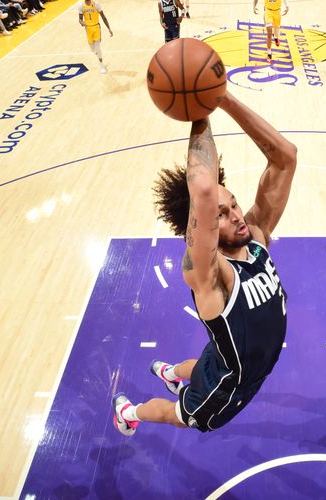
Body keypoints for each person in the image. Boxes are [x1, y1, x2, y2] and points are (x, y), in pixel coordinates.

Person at [112, 90, 297, 436]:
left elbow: (285, 158)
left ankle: (170, 373)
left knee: (206, 361)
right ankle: (130, 411)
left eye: (235, 205)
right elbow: (204, 193)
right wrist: (199, 111)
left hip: (230, 358)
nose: (237, 217)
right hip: (228, 389)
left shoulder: (255, 237)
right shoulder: (210, 274)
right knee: (176, 414)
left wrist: (223, 99)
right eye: (222, 215)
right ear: (203, 223)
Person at [78, 0, 111, 74]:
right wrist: (82, 23)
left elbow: (103, 17)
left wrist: (109, 28)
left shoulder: (96, 4)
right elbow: (80, 19)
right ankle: (97, 54)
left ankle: (101, 64)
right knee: (93, 50)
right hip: (88, 29)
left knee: (98, 47)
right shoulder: (81, 5)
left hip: (96, 27)